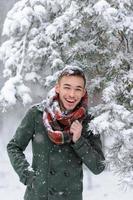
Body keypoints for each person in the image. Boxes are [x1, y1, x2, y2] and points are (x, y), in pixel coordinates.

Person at [7, 66, 105, 200]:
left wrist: (79, 140)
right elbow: (14, 147)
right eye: (67, 87)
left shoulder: (88, 121)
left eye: (77, 89)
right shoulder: (37, 114)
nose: (72, 94)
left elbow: (98, 166)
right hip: (39, 195)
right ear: (58, 88)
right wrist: (28, 176)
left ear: (83, 92)